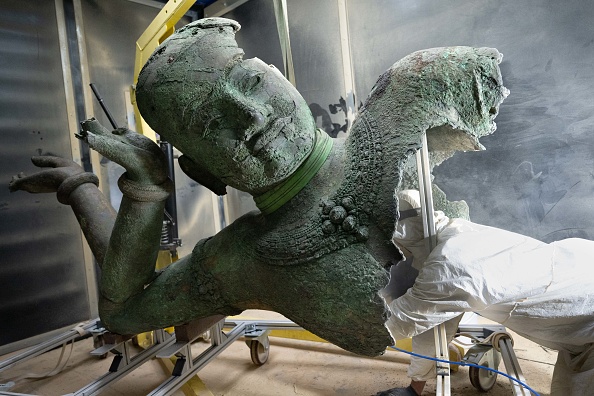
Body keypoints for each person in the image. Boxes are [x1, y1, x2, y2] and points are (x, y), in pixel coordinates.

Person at [9, 17, 508, 358]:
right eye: (209, 123)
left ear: (277, 75)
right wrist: (140, 188)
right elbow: (121, 311)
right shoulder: (244, 257)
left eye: (247, 82)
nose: (248, 117)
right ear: (202, 172)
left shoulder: (404, 100)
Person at [377, 189, 594, 396]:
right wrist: (415, 388)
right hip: (577, 269)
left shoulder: (450, 263)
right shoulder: (456, 232)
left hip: (582, 301)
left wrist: (347, 326)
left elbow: (397, 322)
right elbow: (434, 322)